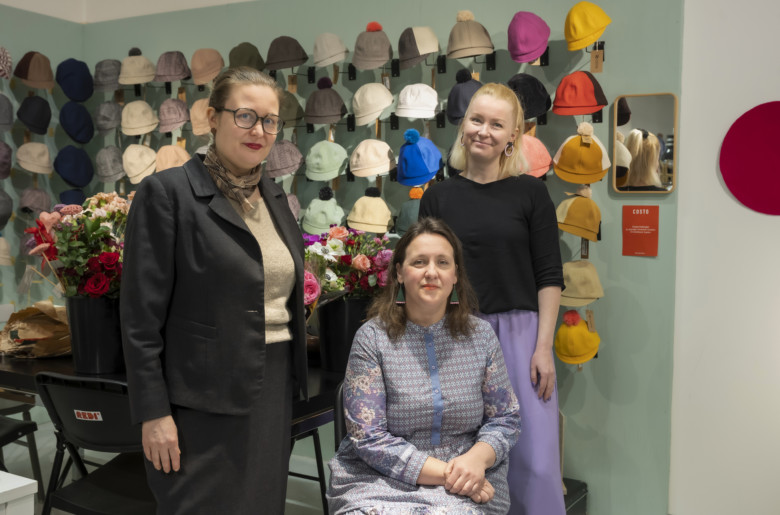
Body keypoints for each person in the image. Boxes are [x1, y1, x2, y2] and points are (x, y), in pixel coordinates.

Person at [120, 66, 307, 514]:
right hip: (199, 402)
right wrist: (153, 413)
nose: (258, 130)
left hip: (272, 388)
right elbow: (139, 320)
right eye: (245, 116)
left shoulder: (276, 197)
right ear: (212, 117)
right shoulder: (168, 195)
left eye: (269, 120)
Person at [419, 82, 566, 515]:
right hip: (456, 335)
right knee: (463, 458)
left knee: (534, 458)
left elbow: (549, 274)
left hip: (521, 337)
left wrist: (544, 346)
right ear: (463, 126)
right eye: (476, 120)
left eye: (496, 124)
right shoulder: (438, 195)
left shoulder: (531, 192)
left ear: (513, 136)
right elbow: (427, 272)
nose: (484, 131)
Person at [327, 217, 520, 514]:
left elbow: (505, 419)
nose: (431, 272)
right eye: (419, 262)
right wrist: (454, 475)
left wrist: (477, 461)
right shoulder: (372, 338)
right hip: (377, 480)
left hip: (468, 473)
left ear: (456, 274)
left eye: (443, 262)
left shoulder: (481, 336)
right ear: (400, 273)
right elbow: (369, 438)